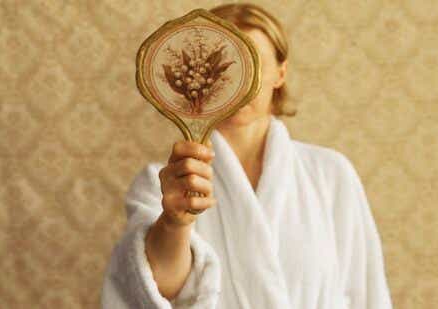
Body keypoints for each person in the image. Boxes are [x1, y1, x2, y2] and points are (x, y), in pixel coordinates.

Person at [101, 3, 393, 309]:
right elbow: (151, 291)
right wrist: (174, 223)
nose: (239, 84)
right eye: (222, 64)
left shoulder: (330, 174)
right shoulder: (163, 182)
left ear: (281, 73)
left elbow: (367, 293)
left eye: (252, 65)